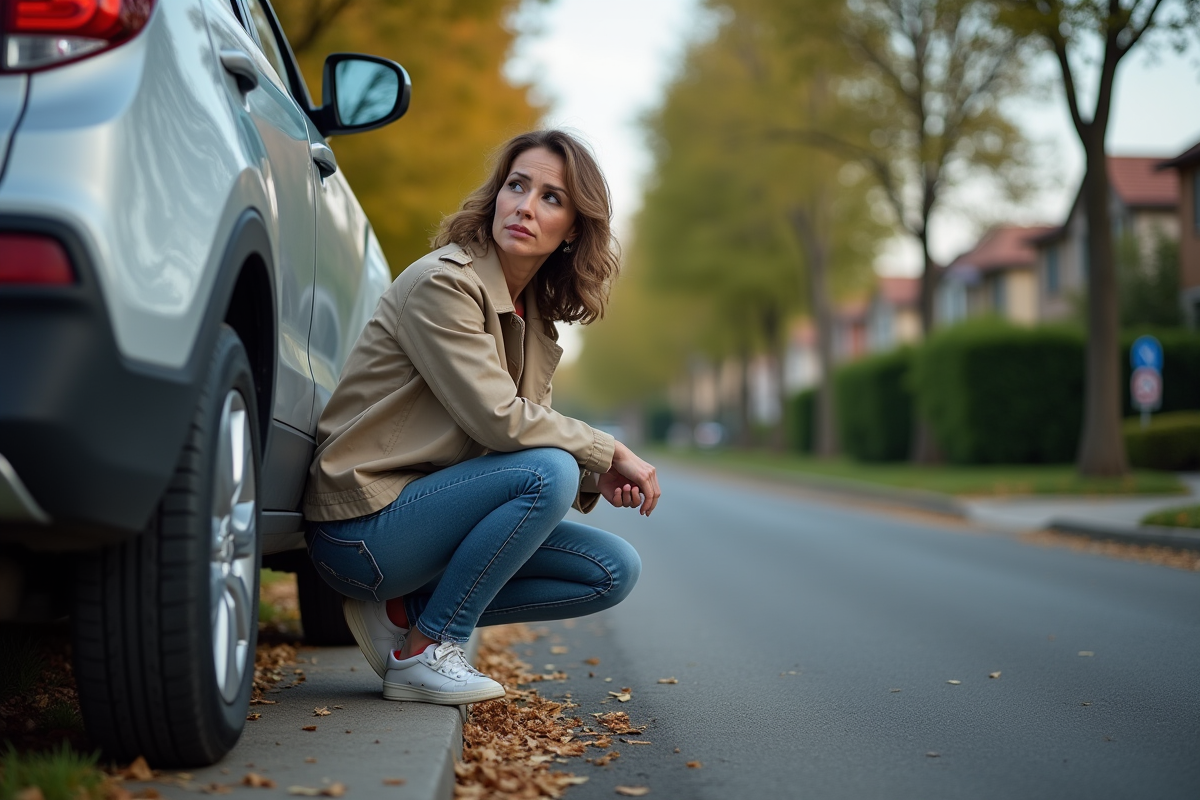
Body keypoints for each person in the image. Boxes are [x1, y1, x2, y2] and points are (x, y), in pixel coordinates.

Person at [301, 130, 661, 705]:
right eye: (516, 185)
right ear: (495, 196)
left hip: (421, 520)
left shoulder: (534, 318)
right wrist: (606, 451)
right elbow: (501, 422)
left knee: (611, 567)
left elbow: (518, 435)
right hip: (362, 528)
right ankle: (427, 650)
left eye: (551, 197)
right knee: (550, 472)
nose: (524, 205)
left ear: (572, 231)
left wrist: (595, 474)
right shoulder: (443, 283)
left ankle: (405, 614)